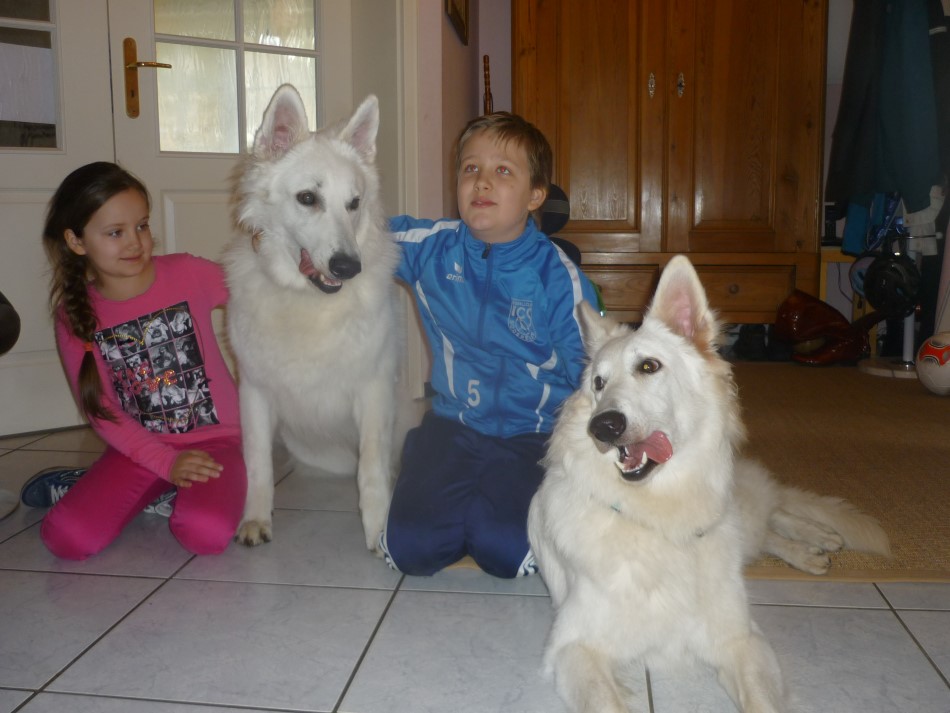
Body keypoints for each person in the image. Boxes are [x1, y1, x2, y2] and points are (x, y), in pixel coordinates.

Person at [380, 112, 600, 578]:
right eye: (470, 168)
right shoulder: (431, 248)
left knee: (504, 552)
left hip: (534, 433)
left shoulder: (558, 279)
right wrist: (287, 238)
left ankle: (494, 500)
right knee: (410, 550)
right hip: (454, 423)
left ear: (535, 195)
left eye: (503, 171)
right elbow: (354, 234)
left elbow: (595, 372)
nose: (481, 181)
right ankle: (428, 462)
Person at [19, 161, 246, 559]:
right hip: (140, 447)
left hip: (218, 440)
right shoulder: (73, 316)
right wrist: (166, 463)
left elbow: (260, 291)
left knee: (204, 534)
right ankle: (106, 484)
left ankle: (168, 494)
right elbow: (101, 410)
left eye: (141, 226)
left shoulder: (189, 272)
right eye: (115, 232)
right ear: (76, 241)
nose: (136, 242)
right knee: (66, 539)